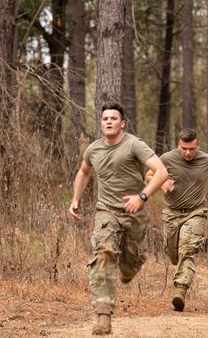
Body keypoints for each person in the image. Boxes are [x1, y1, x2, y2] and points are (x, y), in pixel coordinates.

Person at [68, 103, 169, 335]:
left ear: (122, 123)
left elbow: (162, 171)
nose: (109, 121)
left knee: (132, 261)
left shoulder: (134, 144)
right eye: (105, 118)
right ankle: (103, 315)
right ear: (101, 123)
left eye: (114, 118)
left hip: (135, 212)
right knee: (103, 254)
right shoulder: (93, 150)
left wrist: (142, 197)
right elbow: (84, 173)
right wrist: (75, 199)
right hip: (106, 210)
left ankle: (129, 267)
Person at [148, 128, 208, 312]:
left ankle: (180, 290)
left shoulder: (207, 160)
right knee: (173, 253)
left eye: (191, 149)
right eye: (184, 148)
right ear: (179, 145)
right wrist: (163, 182)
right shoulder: (167, 158)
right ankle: (181, 272)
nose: (188, 152)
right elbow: (150, 175)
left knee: (188, 250)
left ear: (197, 145)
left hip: (195, 212)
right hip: (172, 214)